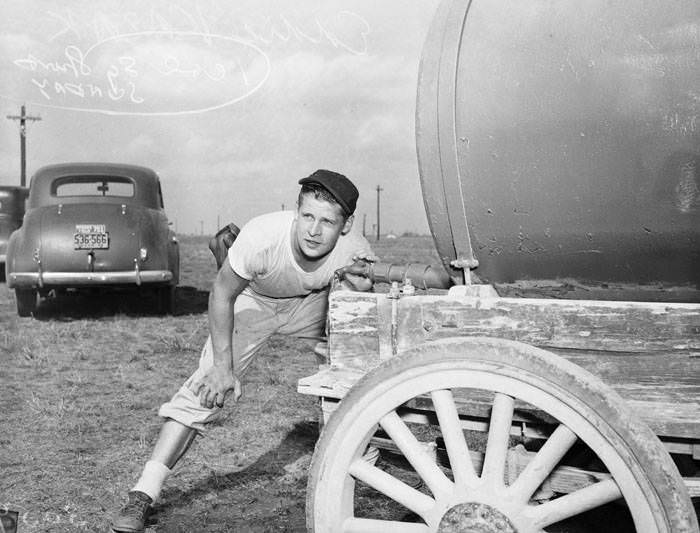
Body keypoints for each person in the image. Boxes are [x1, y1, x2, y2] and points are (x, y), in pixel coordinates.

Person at [111, 169, 374, 532]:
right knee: (203, 389)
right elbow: (222, 293)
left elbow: (360, 315)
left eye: (328, 221)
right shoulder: (263, 235)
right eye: (308, 216)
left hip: (312, 303)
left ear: (345, 226)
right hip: (254, 300)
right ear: (296, 213)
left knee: (351, 370)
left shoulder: (356, 251)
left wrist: (359, 293)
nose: (314, 230)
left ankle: (349, 466)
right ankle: (143, 493)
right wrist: (222, 366)